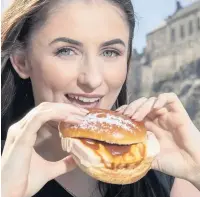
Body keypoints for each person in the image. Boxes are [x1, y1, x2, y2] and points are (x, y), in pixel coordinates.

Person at [1, 0, 200, 197]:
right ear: (21, 61)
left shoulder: (165, 173)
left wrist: (197, 169)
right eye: (66, 51)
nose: (93, 79)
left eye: (110, 52)